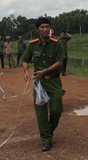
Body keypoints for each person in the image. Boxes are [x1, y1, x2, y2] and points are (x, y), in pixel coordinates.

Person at [22, 17, 65, 152]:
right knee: (41, 113)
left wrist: (45, 71)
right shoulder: (32, 44)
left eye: (47, 27)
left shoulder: (56, 43)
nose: (45, 29)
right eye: (42, 27)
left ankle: (48, 131)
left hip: (54, 82)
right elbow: (25, 60)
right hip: (39, 84)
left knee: (57, 110)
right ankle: (46, 140)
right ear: (37, 30)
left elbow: (60, 62)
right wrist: (26, 71)